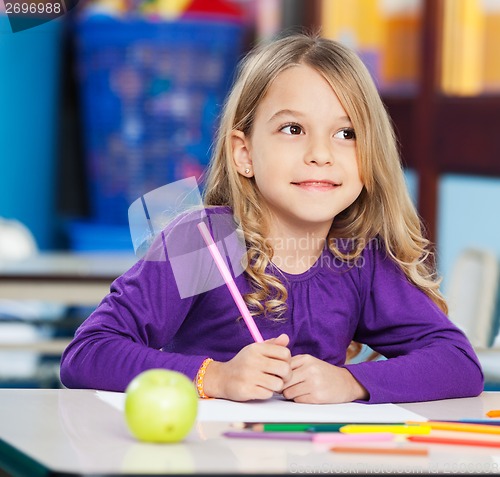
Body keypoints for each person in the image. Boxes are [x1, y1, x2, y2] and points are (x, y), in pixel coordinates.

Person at [60, 33, 484, 404]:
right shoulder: (205, 241)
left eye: (346, 133)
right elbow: (88, 355)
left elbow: (457, 363)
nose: (321, 153)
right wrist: (215, 377)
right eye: (293, 129)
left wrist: (351, 381)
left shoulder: (358, 257)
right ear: (244, 153)